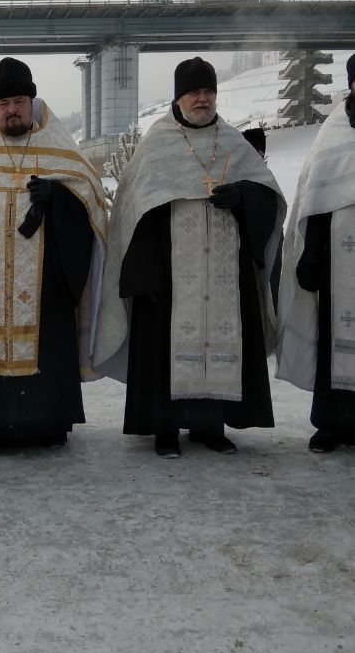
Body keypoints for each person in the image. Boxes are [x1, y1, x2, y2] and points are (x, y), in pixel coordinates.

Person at [96, 57, 286, 459]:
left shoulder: (233, 143)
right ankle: (164, 429)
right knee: (165, 346)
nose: (202, 99)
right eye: (194, 93)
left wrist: (243, 197)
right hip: (168, 275)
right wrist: (143, 275)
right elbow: (133, 210)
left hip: (223, 274)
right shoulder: (156, 145)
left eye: (208, 92)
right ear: (179, 98)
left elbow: (268, 197)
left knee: (221, 338)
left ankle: (209, 426)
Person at [0, 57, 108, 449]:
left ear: (32, 101)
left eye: (18, 101)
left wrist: (59, 198)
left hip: (47, 286)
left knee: (46, 346)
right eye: (2, 103)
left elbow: (92, 209)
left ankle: (46, 425)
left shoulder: (61, 151)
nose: (11, 110)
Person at [276, 52, 355, 452]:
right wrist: (311, 256)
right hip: (340, 265)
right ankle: (331, 423)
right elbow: (315, 201)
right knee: (334, 342)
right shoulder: (334, 136)